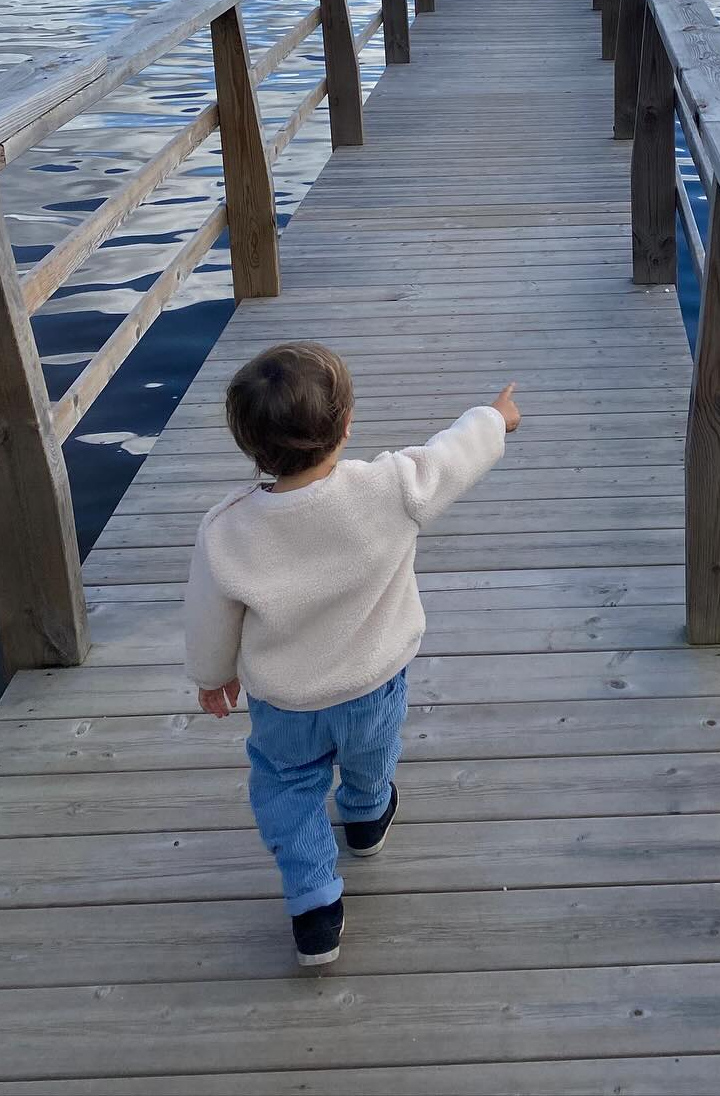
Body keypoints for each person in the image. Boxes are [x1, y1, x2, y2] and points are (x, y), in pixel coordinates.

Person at [184, 342, 520, 970]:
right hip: (373, 683)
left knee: (288, 787)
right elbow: (453, 457)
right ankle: (366, 818)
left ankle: (314, 904)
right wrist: (493, 418)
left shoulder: (226, 530)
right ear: (345, 426)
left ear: (250, 445)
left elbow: (210, 615)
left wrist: (212, 676)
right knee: (371, 756)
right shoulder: (389, 487)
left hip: (285, 701)